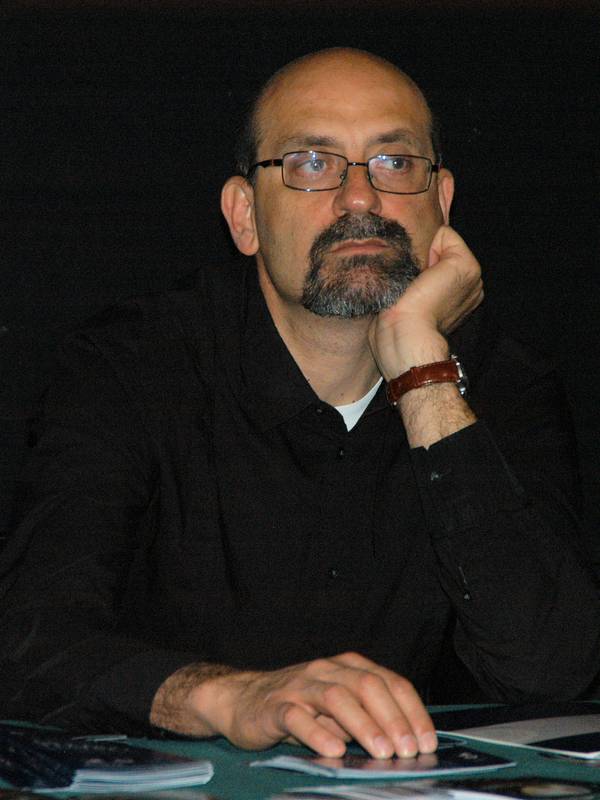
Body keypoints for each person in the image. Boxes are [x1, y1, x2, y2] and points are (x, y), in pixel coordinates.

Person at [0, 47, 598, 761]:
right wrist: (229, 697)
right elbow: (28, 640)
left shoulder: (504, 380)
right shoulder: (130, 368)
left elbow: (551, 671)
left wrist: (423, 373)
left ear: (442, 204)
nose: (359, 199)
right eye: (312, 163)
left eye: (394, 162)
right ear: (244, 216)